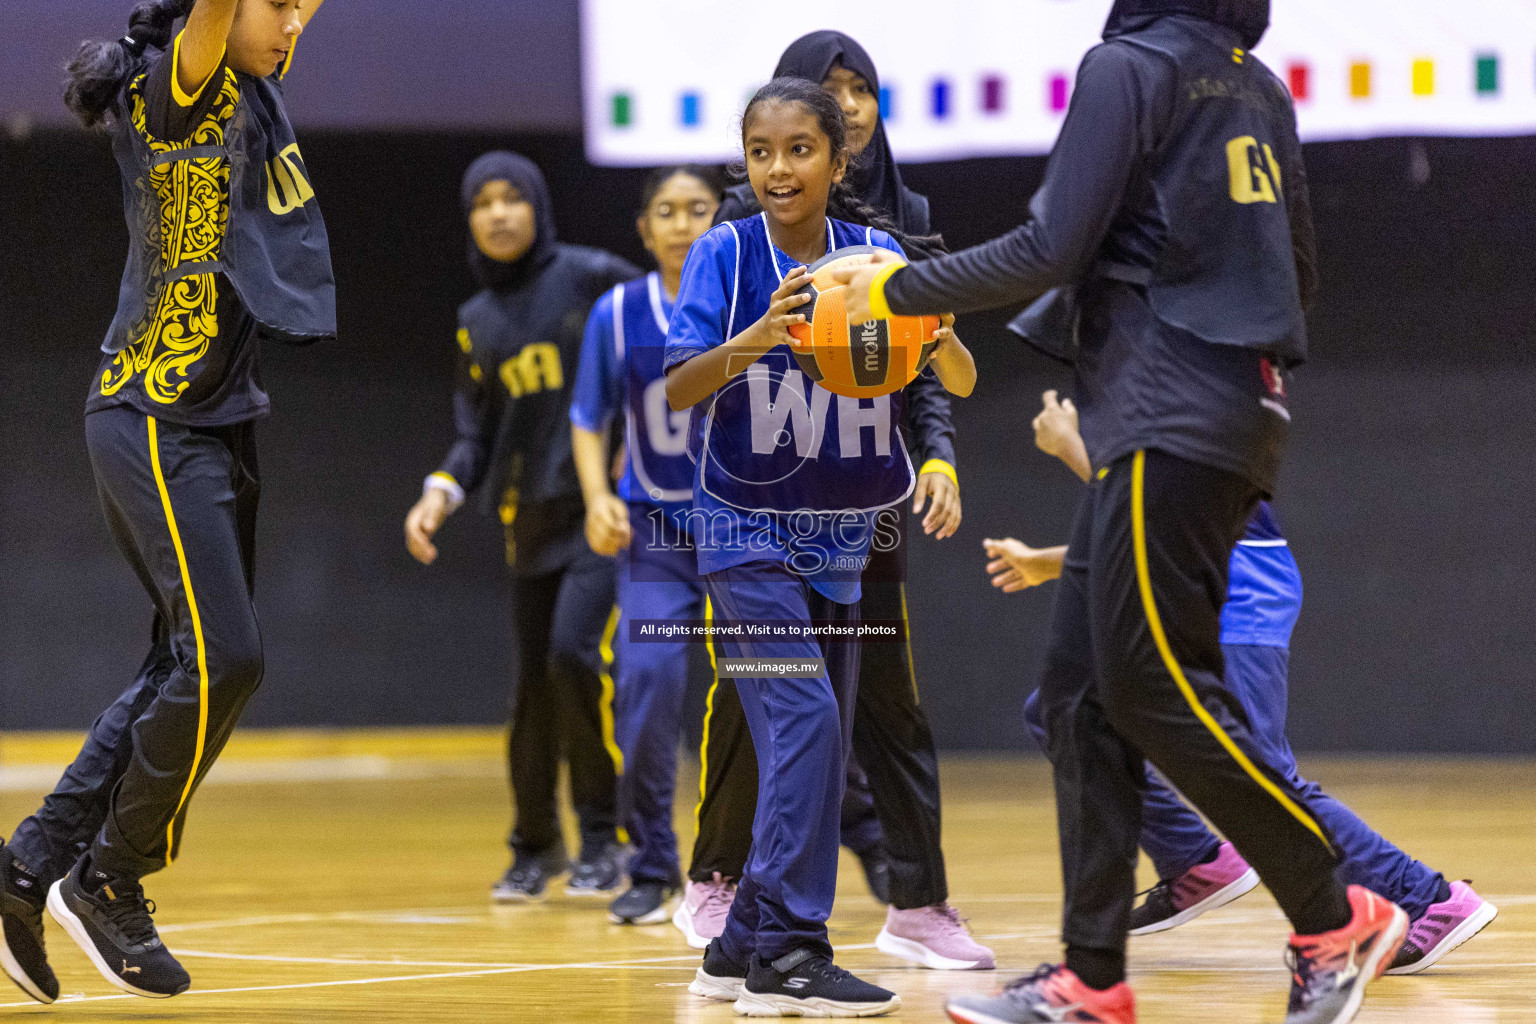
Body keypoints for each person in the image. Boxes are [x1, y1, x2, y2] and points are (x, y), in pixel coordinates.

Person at [830, 2, 1412, 1022]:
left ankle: (1334, 910)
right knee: (1080, 697)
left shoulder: (1126, 66)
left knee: (1149, 685)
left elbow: (1048, 244)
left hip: (1163, 409)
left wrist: (897, 290)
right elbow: (1300, 273)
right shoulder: (1258, 84)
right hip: (1234, 404)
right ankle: (1092, 978)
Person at [0, 0, 334, 1001]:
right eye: (276, 7)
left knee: (187, 663)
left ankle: (27, 868)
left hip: (216, 419)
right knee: (229, 656)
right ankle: (108, 876)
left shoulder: (248, 86)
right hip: (153, 412)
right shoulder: (175, 86)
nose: (292, 26)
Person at [675, 29, 993, 973]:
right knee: (793, 715)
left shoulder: (884, 249)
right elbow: (675, 387)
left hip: (850, 525)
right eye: (762, 152)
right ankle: (770, 925)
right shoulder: (729, 249)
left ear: (840, 152)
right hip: (749, 521)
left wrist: (934, 373)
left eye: (801, 148)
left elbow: (953, 378)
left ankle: (766, 937)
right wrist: (761, 338)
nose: (779, 167)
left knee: (850, 717)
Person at [988, 390, 1496, 974]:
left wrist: (1070, 447)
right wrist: (1044, 562)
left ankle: (1427, 900)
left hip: (1239, 578)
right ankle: (1195, 861)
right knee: (1065, 708)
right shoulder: (1156, 376)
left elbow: (1161, 504)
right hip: (1197, 575)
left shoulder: (1193, 375)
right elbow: (1143, 519)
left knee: (1259, 771)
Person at [403, 152, 639, 903]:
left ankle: (605, 839)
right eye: (483, 202)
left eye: (513, 199)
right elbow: (477, 436)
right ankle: (535, 847)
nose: (499, 213)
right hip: (529, 522)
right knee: (532, 690)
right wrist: (440, 490)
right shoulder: (476, 322)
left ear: (538, 206)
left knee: (573, 657)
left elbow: (665, 354)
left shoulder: (594, 276)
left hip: (605, 516)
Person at [569, 165, 723, 926]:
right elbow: (589, 414)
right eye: (667, 210)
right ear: (645, 228)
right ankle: (653, 861)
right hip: (656, 532)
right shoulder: (620, 312)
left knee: (780, 689)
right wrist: (598, 495)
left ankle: (752, 865)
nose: (683, 223)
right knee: (649, 684)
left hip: (745, 531)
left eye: (698, 209)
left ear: (721, 220)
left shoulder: (752, 301)